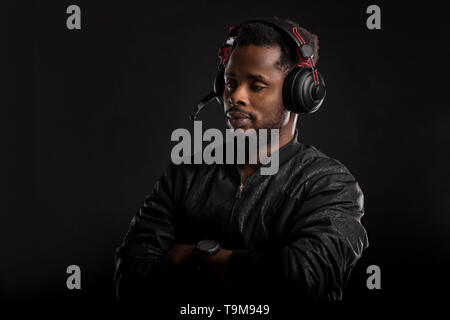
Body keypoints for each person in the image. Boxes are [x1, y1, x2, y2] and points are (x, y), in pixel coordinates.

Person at [114, 17, 369, 304]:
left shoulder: (330, 185)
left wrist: (194, 256)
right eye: (230, 82)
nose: (235, 96)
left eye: (256, 85)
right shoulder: (185, 173)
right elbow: (131, 278)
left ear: (298, 93)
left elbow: (303, 280)